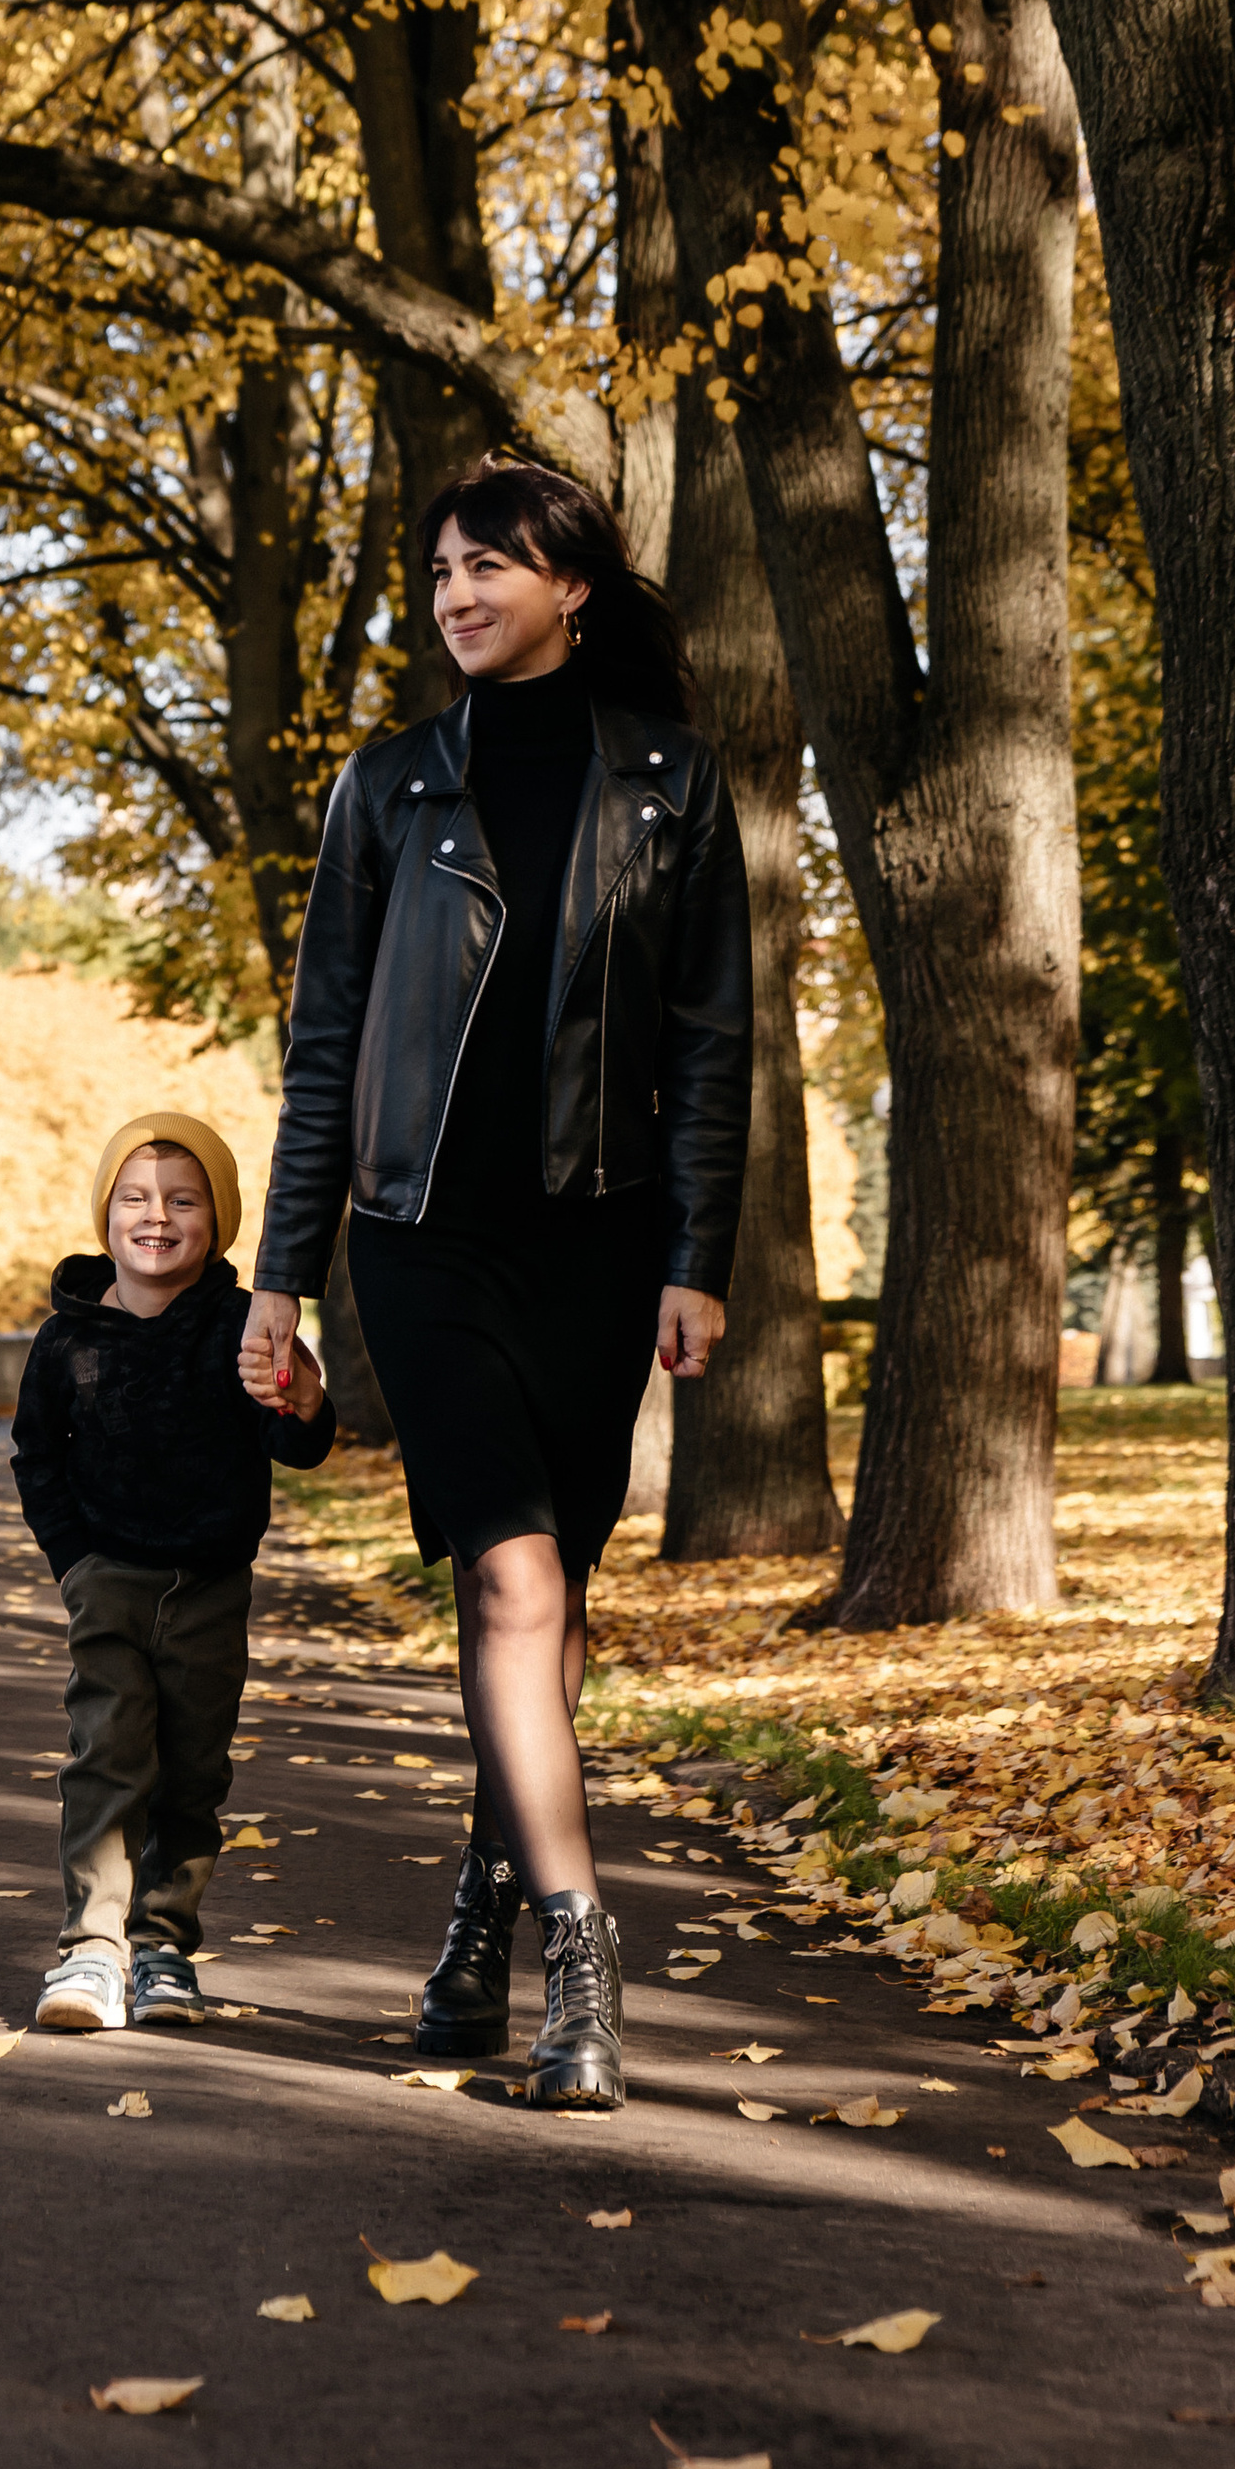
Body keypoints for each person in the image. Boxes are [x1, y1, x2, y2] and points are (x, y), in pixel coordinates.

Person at [238, 456, 749, 2112]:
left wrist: (695, 1259)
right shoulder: (385, 790)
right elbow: (324, 1054)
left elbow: (710, 1043)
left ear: (572, 586)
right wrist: (282, 1283)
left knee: (553, 1603)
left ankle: (478, 1910)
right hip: (419, 1242)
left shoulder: (677, 784)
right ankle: (582, 1965)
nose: (457, 594)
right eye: (443, 571)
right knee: (511, 1587)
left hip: (597, 1251)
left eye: (489, 567)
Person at [10, 1111, 335, 2034]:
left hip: (209, 1588)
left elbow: (295, 1442)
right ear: (105, 1215)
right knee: (106, 1757)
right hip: (107, 1578)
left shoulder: (243, 1326)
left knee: (192, 1773)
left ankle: (161, 1946)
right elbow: (37, 1458)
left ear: (219, 1220)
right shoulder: (66, 1339)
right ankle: (90, 1950)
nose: (158, 1217)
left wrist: (306, 1403)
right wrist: (73, 1563)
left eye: (185, 1200)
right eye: (136, 1198)